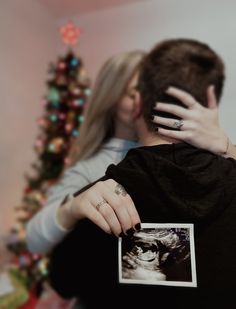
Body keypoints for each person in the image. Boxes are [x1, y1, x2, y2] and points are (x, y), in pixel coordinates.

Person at [49, 38, 236, 308]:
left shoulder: (97, 204)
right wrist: (227, 146)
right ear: (209, 107)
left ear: (137, 103)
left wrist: (69, 212)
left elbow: (62, 281)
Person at [26, 49, 235, 254]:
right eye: (136, 92)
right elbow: (34, 241)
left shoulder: (192, 149)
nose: (149, 100)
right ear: (113, 99)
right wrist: (70, 209)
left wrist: (226, 145)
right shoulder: (90, 169)